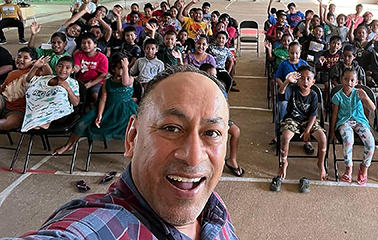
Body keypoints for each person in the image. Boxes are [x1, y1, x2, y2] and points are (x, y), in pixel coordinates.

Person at [20, 64, 237, 239]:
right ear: (132, 137)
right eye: (171, 128)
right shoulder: (102, 227)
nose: (193, 157)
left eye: (211, 133)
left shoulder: (213, 208)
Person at [53, 54, 138, 155]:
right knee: (82, 123)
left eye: (126, 68)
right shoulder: (108, 82)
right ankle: (68, 145)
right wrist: (99, 115)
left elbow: (125, 83)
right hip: (108, 109)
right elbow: (103, 99)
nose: (124, 71)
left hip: (126, 110)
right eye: (120, 68)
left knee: (136, 129)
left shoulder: (130, 79)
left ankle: (135, 152)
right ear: (113, 69)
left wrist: (125, 67)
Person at [270, 65, 327, 192]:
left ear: (313, 81)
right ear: (298, 79)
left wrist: (307, 130)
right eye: (302, 78)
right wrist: (287, 81)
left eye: (309, 79)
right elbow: (280, 94)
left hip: (308, 121)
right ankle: (284, 163)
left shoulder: (313, 95)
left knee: (323, 137)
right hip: (292, 119)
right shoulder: (292, 89)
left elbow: (313, 114)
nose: (305, 82)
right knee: (285, 136)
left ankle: (321, 164)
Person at [330, 68, 375, 185]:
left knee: (370, 142)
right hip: (344, 122)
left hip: (359, 121)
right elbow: (334, 114)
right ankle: (348, 168)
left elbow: (372, 108)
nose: (348, 83)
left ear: (356, 82)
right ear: (341, 80)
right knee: (348, 141)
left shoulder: (359, 93)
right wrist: (332, 132)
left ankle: (364, 168)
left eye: (352, 80)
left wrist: (365, 98)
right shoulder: (337, 96)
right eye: (346, 79)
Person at [199, 63, 244, 177]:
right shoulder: (198, 89)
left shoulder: (220, 88)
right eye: (210, 75)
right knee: (214, 136)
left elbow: (224, 107)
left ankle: (232, 160)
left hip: (219, 119)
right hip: (202, 120)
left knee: (235, 131)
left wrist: (223, 120)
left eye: (215, 75)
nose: (213, 78)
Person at [21, 56, 80, 132]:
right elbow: (29, 80)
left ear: (72, 70)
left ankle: (45, 120)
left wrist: (68, 88)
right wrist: (35, 67)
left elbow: (75, 103)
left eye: (67, 67)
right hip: (37, 110)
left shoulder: (73, 83)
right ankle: (38, 119)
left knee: (60, 91)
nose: (63, 70)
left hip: (61, 115)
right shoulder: (46, 78)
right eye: (60, 66)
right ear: (56, 67)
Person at [0, 47, 40, 130]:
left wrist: (38, 65)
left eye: (25, 58)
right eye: (19, 56)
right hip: (4, 103)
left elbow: (48, 73)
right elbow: (3, 89)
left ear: (33, 62)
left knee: (12, 122)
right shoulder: (12, 73)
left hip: (19, 111)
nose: (20, 60)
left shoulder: (35, 72)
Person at [73, 32, 108, 106]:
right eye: (83, 43)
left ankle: (98, 112)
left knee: (95, 94)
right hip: (80, 81)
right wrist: (74, 69)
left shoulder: (102, 57)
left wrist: (91, 84)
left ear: (95, 44)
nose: (86, 45)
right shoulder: (78, 54)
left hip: (96, 82)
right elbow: (77, 66)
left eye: (89, 43)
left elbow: (103, 75)